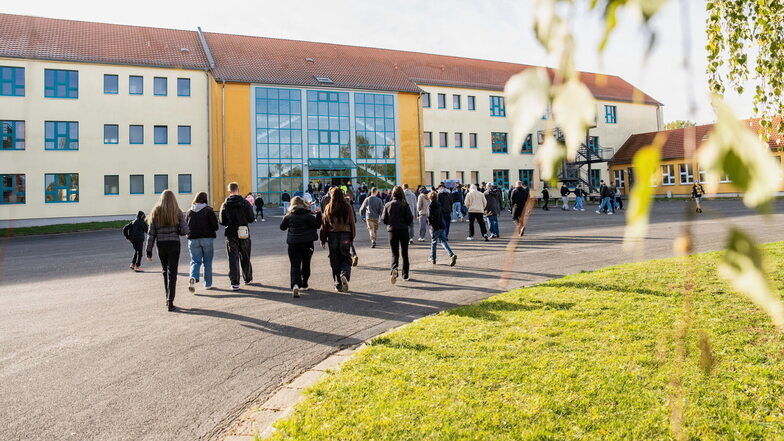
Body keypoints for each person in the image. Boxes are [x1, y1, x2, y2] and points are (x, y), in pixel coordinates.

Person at [145, 190, 189, 311]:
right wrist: (178, 230)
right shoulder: (177, 211)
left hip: (161, 245)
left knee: (165, 271)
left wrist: (148, 250)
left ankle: (167, 297)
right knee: (172, 273)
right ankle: (170, 300)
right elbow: (185, 230)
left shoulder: (156, 211)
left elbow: (151, 234)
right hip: (174, 244)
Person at [280, 196, 321, 298]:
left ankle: (295, 284)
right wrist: (319, 213)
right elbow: (317, 225)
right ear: (303, 204)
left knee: (295, 265)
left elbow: (282, 227)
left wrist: (286, 217)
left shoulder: (289, 216)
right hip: (307, 243)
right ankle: (305, 283)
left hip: (293, 243)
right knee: (306, 263)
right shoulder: (308, 216)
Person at [219, 182, 256, 290]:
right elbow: (251, 218)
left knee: (233, 258)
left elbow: (222, 221)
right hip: (243, 232)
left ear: (229, 191)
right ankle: (248, 278)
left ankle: (235, 283)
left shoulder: (225, 204)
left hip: (231, 234)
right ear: (238, 189)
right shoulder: (245, 203)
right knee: (245, 256)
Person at [320, 187, 356, 293]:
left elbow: (324, 225)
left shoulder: (328, 207)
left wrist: (322, 238)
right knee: (346, 257)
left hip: (333, 236)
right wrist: (352, 236)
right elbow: (352, 222)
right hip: (345, 235)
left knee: (334, 258)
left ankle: (337, 283)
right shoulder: (347, 206)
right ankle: (344, 274)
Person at [185, 192, 219, 292]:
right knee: (207, 262)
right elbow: (215, 226)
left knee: (195, 261)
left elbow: (186, 226)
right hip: (207, 239)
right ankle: (207, 284)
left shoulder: (189, 211)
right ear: (205, 199)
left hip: (193, 240)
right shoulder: (208, 210)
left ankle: (193, 277)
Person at [382, 186, 414, 284]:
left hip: (392, 231)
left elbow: (384, 219)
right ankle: (405, 275)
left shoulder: (388, 205)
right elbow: (410, 218)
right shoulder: (405, 205)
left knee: (394, 253)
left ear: (393, 194)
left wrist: (390, 223)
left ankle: (394, 269)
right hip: (403, 230)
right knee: (405, 254)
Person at [427, 191, 457, 266]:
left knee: (434, 242)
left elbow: (430, 218)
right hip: (442, 225)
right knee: (443, 241)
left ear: (430, 198)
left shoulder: (430, 206)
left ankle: (433, 258)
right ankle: (451, 254)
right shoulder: (439, 204)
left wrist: (430, 225)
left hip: (435, 227)